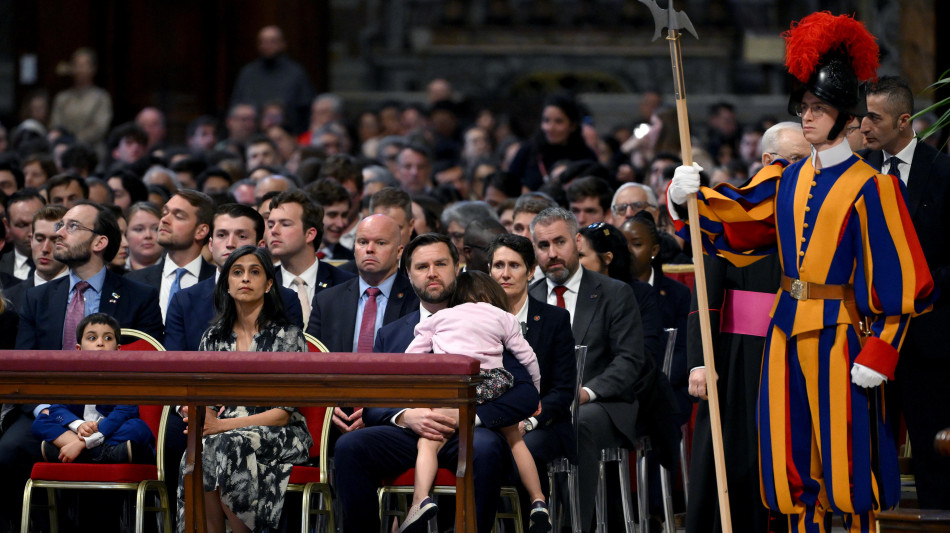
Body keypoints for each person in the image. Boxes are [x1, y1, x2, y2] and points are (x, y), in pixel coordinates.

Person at [667, 13, 934, 532]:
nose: (807, 116)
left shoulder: (872, 186)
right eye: (804, 108)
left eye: (818, 108)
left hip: (843, 336)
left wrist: (882, 348)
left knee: (847, 463)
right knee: (789, 463)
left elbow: (901, 280)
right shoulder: (787, 178)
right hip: (785, 331)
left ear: (844, 118)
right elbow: (742, 218)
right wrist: (691, 197)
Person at [334, 233, 538, 533]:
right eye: (421, 266)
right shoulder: (391, 334)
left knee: (487, 448)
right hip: (411, 433)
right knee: (351, 445)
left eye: (440, 264)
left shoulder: (488, 319)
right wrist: (405, 415)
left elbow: (525, 394)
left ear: (458, 267)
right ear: (408, 273)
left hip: (470, 433)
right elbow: (374, 401)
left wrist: (471, 417)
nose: (431, 273)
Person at [685, 121, 808, 533]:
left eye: (808, 160)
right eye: (794, 160)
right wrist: (700, 362)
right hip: (738, 354)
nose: (803, 168)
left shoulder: (813, 208)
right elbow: (705, 295)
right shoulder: (735, 208)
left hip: (796, 350)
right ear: (768, 161)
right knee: (737, 457)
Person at [526, 207, 659, 530]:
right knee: (517, 436)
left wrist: (584, 393)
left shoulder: (614, 292)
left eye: (560, 242)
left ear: (578, 240)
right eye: (543, 246)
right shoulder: (528, 295)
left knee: (579, 424)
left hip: (604, 404)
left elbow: (630, 361)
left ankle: (575, 526)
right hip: (546, 405)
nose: (552, 253)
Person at [858, 76, 950, 510]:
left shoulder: (944, 173)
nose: (864, 126)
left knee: (935, 455)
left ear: (904, 120)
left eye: (874, 118)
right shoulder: (857, 175)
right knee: (870, 448)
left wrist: (919, 288)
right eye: (862, 117)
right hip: (867, 338)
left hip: (929, 339)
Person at [400, 270, 550, 533]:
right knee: (514, 438)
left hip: (455, 385)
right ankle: (538, 500)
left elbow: (412, 358)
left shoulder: (440, 317)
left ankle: (419, 499)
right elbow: (527, 357)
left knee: (429, 441)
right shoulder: (503, 316)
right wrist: (536, 390)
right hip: (493, 383)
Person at [180, 245, 311, 533]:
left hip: (284, 434)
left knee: (226, 444)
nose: (245, 279)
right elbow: (205, 401)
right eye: (237, 273)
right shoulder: (213, 337)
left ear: (268, 284)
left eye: (254, 272)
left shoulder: (287, 336)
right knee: (198, 449)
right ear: (226, 283)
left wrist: (221, 425)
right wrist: (201, 421)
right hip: (226, 432)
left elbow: (281, 415)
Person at [487, 234, 576, 520]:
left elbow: (563, 390)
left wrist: (529, 422)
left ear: (531, 271)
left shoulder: (554, 319)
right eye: (498, 265)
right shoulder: (474, 318)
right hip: (489, 421)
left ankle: (532, 522)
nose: (505, 273)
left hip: (542, 424)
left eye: (514, 265)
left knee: (527, 447)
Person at [306, 214, 418, 433]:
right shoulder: (327, 300)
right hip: (335, 415)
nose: (369, 249)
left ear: (399, 251)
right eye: (363, 242)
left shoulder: (417, 301)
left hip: (394, 419)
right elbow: (311, 362)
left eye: (380, 243)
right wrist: (325, 403)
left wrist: (380, 412)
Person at [32, 313, 155, 465]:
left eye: (108, 338)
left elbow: (124, 413)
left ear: (118, 349)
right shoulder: (71, 377)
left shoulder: (126, 377)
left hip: (109, 431)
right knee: (41, 420)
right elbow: (58, 408)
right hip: (82, 432)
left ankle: (78, 451)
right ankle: (100, 453)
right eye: (92, 338)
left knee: (137, 427)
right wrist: (79, 425)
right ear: (79, 349)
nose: (100, 343)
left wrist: (83, 443)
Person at [266, 190, 354, 326]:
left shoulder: (347, 285)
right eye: (271, 225)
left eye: (285, 224)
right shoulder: (263, 285)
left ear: (310, 234)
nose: (273, 230)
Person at [125, 190, 216, 322]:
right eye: (165, 213)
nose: (164, 220)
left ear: (201, 231)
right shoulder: (132, 282)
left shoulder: (220, 283)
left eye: (178, 216)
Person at [230, 26, 314, 134]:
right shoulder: (248, 73)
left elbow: (305, 111)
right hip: (252, 135)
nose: (267, 46)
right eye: (263, 42)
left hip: (287, 134)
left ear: (283, 44)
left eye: (272, 41)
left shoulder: (296, 73)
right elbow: (236, 107)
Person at [508, 94, 597, 191]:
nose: (550, 128)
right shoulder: (528, 151)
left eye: (558, 121)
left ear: (573, 125)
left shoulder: (586, 156)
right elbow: (509, 184)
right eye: (546, 120)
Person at [3, 205, 68, 310]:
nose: (45, 249)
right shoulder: (8, 299)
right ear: (31, 240)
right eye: (39, 239)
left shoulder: (81, 295)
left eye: (55, 240)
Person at [49, 48, 113, 148]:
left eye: (83, 66)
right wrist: (62, 138)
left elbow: (99, 127)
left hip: (92, 151)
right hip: (64, 149)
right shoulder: (61, 98)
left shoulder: (101, 97)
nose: (79, 69)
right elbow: (55, 125)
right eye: (76, 65)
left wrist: (75, 139)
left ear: (93, 69)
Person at [0, 189, 44, 281]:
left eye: (37, 222)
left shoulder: (68, 265)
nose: (32, 233)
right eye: (22, 225)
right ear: (7, 225)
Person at [125, 202, 163, 271]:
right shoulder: (112, 270)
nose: (148, 235)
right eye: (139, 229)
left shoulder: (176, 270)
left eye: (156, 229)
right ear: (126, 234)